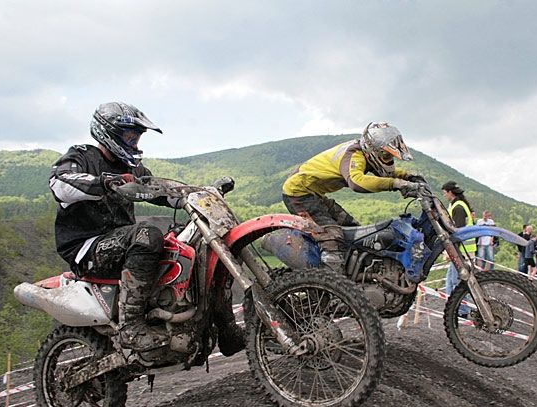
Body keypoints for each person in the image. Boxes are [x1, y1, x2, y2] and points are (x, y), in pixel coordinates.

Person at [49, 102, 244, 354]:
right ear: (109, 132)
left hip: (122, 243)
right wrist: (105, 182)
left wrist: (199, 193)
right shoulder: (82, 156)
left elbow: (160, 190)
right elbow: (60, 183)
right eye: (130, 136)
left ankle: (226, 328)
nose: (134, 142)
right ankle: (131, 327)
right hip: (87, 246)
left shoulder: (132, 168)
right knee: (147, 233)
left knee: (195, 245)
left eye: (137, 137)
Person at [281, 122, 423, 272]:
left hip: (314, 195)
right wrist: (395, 184)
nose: (388, 159)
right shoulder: (354, 155)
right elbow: (356, 181)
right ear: (372, 149)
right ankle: (329, 281)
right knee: (332, 236)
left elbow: (386, 171)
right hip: (298, 194)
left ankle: (358, 274)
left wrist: (407, 176)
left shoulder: (366, 153)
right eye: (386, 155)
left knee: (355, 231)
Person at [441, 181, 475, 316]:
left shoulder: (458, 208)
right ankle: (453, 309)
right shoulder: (457, 205)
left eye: (445, 193)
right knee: (450, 281)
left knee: (456, 282)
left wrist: (452, 252)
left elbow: (458, 233)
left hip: (461, 251)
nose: (444, 195)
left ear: (450, 192)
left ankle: (462, 311)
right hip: (461, 251)